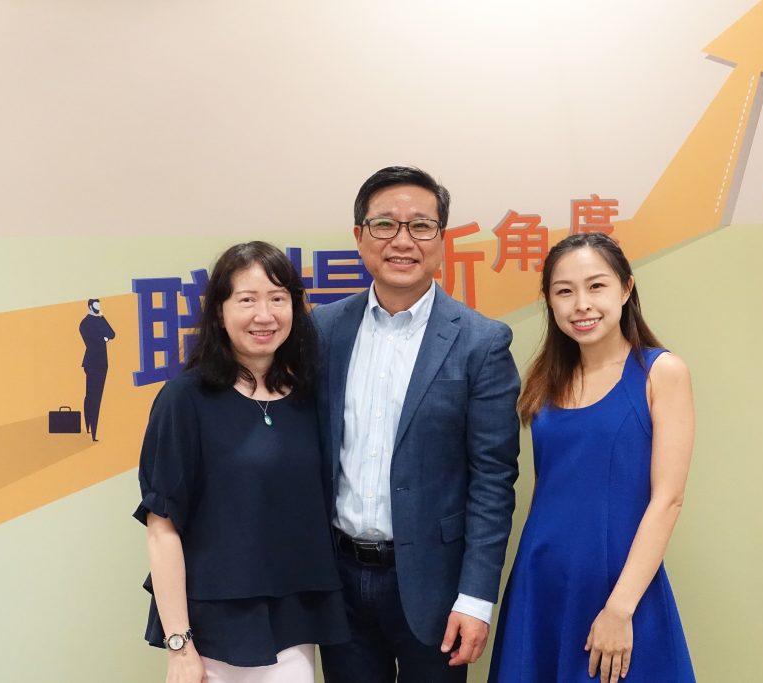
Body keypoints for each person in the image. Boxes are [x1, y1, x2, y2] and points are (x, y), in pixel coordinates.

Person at [312, 166, 521, 682]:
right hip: (340, 582)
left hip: (438, 589)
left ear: (441, 240)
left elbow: (493, 480)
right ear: (360, 236)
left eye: (421, 226)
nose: (402, 241)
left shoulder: (481, 342)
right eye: (384, 224)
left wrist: (476, 598)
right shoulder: (322, 330)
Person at [133, 242, 348, 683]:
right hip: (213, 631)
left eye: (277, 298)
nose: (264, 315)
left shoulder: (310, 397)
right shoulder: (184, 400)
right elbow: (162, 528)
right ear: (219, 311)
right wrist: (180, 647)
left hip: (294, 622)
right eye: (247, 300)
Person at [488, 232, 696, 683]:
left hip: (619, 587)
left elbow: (668, 499)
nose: (581, 304)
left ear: (625, 288)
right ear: (549, 301)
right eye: (564, 291)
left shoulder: (661, 372)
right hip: (541, 582)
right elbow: (548, 491)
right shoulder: (546, 381)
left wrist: (620, 609)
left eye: (596, 286)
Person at [79, 298, 115, 441]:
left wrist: (102, 317)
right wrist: (104, 338)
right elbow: (95, 340)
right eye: (96, 305)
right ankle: (91, 429)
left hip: (99, 363)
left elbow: (112, 334)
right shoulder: (86, 323)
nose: (98, 308)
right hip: (94, 363)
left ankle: (91, 429)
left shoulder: (95, 320)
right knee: (93, 397)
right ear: (90, 306)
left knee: (93, 396)